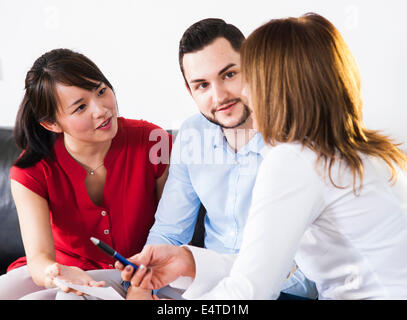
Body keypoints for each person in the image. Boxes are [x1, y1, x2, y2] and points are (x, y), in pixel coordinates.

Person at [120, 13, 407, 299]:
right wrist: (191, 261)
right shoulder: (354, 150)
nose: (234, 94)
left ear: (280, 87)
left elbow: (250, 290)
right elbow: (263, 267)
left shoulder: (295, 160)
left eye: (244, 77)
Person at [118, 18, 317, 300]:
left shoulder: (293, 140)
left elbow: (300, 269)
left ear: (252, 67)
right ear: (190, 91)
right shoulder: (191, 134)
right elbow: (170, 231)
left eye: (229, 75)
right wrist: (140, 285)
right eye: (202, 85)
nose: (219, 96)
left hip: (282, 288)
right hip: (207, 281)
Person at [0, 48, 171, 299]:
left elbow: (172, 230)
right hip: (66, 272)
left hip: (137, 272)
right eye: (80, 107)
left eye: (101, 91)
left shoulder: (154, 142)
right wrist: (55, 272)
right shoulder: (30, 170)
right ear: (51, 124)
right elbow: (39, 260)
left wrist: (143, 284)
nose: (101, 110)